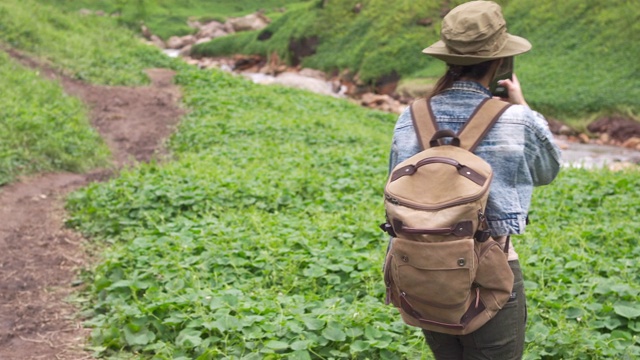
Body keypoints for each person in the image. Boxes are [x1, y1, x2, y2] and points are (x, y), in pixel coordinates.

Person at [387, 1, 561, 359]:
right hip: (491, 268)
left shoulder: (412, 115)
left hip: (421, 267)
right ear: (500, 60)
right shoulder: (516, 119)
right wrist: (522, 108)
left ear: (447, 58)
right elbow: (548, 171)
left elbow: (399, 186)